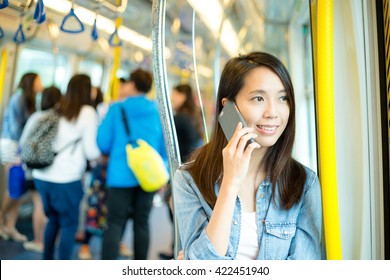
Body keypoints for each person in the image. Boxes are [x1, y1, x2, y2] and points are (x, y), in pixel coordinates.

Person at [172, 52, 323, 260]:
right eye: (258, 98)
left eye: (283, 98)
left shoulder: (304, 184)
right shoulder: (190, 179)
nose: (273, 112)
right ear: (229, 107)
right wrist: (230, 184)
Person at [97, 68, 168, 260]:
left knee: (115, 223)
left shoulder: (116, 108)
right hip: (149, 176)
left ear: (132, 85)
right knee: (142, 223)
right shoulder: (157, 111)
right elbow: (165, 148)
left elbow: (102, 142)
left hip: (120, 175)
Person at [32, 74, 101, 260]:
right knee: (69, 225)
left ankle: (47, 261)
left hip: (42, 176)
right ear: (87, 90)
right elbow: (91, 151)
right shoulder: (87, 112)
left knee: (52, 221)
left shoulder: (58, 108)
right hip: (66, 179)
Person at [159, 84, 205, 260]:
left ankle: (179, 249)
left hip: (181, 170)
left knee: (176, 211)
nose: (172, 98)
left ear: (184, 96)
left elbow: (167, 145)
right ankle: (177, 248)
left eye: (175, 94)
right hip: (192, 168)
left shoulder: (179, 119)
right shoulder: (193, 115)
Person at [0, 72, 44, 243]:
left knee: (19, 188)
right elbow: (15, 128)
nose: (41, 83)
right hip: (12, 145)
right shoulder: (18, 99)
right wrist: (19, 153)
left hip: (21, 147)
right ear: (30, 82)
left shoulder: (32, 99)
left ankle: (10, 225)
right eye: (38, 80)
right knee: (13, 187)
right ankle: (2, 218)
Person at [19, 86, 62, 253]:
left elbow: (24, 142)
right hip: (55, 171)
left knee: (39, 204)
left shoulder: (37, 117)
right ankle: (53, 240)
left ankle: (39, 241)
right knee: (52, 208)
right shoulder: (61, 119)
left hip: (35, 170)